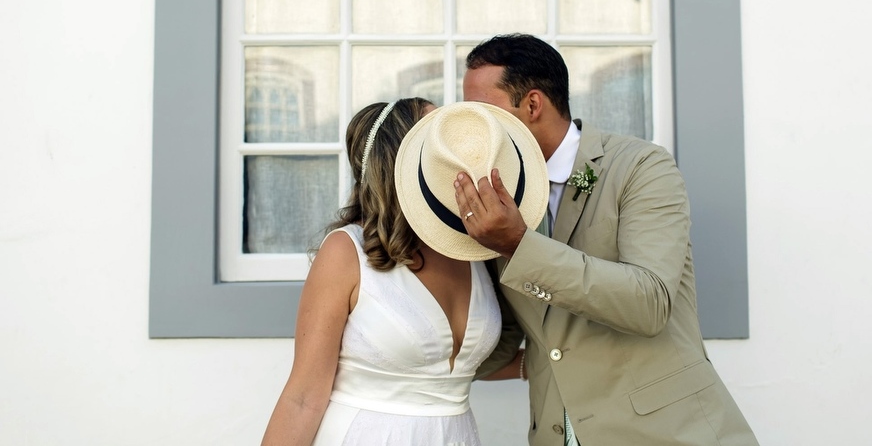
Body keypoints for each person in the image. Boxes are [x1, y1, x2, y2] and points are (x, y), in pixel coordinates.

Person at [454, 34, 759, 445]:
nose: (475, 128)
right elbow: (505, 339)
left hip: (664, 434)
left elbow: (649, 303)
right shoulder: (501, 199)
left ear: (531, 105)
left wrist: (519, 246)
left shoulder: (640, 167)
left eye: (482, 112)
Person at [260, 97, 523, 446]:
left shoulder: (470, 247)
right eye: (437, 141)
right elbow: (303, 397)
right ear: (402, 158)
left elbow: (452, 369)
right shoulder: (346, 252)